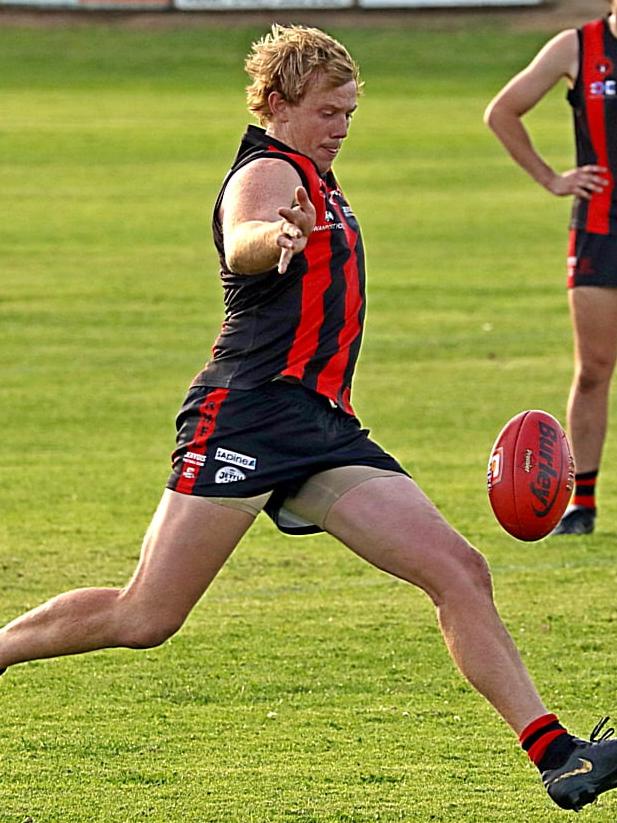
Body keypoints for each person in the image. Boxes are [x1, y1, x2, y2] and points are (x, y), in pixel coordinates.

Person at [1, 23, 617, 812]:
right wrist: (274, 237)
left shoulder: (318, 175)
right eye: (328, 112)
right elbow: (244, 237)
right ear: (277, 104)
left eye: (350, 113)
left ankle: (556, 755)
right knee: (147, 613)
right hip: (246, 417)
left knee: (457, 569)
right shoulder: (264, 173)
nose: (341, 128)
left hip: (323, 426)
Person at [484, 2, 617, 536]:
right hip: (600, 229)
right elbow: (502, 112)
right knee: (593, 368)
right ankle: (580, 503)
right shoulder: (577, 46)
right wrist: (551, 178)